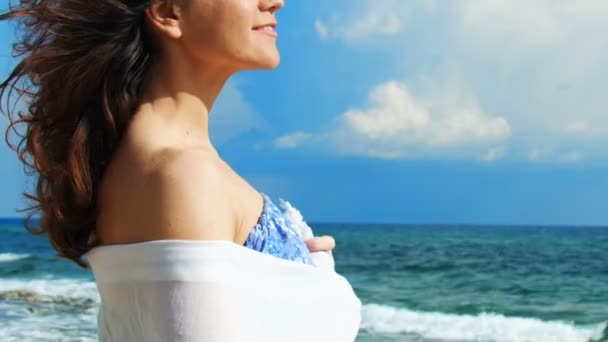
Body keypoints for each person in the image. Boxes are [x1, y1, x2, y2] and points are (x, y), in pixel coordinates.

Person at [0, 0, 362, 341]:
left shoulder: (163, 164)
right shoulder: (181, 175)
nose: (275, 2)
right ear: (169, 12)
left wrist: (297, 274)